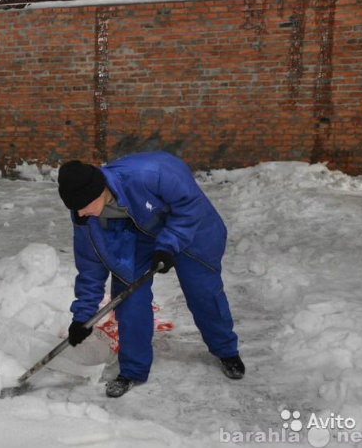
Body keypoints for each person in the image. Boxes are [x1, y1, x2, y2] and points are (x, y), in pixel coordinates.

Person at [57, 151, 243, 398]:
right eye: (75, 209)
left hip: (188, 228)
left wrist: (167, 244)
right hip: (134, 235)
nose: (79, 214)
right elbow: (90, 267)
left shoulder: (149, 174)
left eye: (83, 207)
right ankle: (133, 370)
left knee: (204, 292)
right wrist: (82, 317)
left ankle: (226, 350)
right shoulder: (86, 219)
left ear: (99, 191)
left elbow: (190, 205)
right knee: (129, 301)